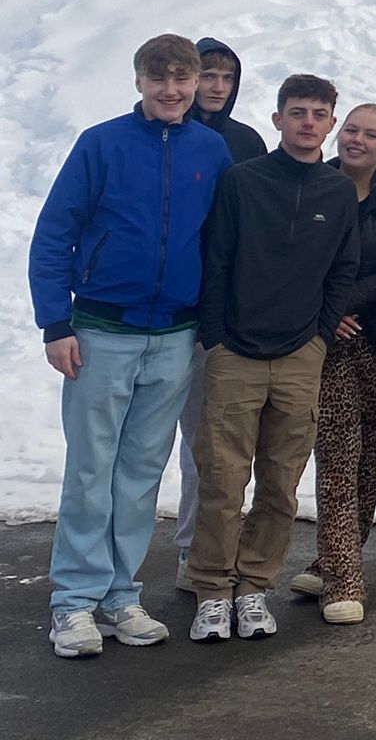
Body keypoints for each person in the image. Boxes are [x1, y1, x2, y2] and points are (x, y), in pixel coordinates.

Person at [30, 35, 233, 659]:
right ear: (140, 80)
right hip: (100, 331)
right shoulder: (101, 143)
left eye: (182, 78)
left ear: (197, 81)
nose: (171, 90)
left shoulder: (211, 148)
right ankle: (74, 602)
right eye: (159, 78)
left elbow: (221, 240)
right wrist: (55, 324)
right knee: (92, 469)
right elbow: (55, 232)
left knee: (142, 470)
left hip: (173, 335)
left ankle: (120, 594)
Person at [188, 75, 360, 644]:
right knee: (222, 477)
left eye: (318, 113)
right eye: (297, 112)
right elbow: (216, 259)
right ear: (277, 119)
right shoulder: (242, 182)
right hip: (234, 350)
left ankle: (255, 585)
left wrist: (318, 338)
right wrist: (216, 336)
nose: (308, 122)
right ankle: (213, 589)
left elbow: (343, 268)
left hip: (299, 355)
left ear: (330, 123)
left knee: (280, 482)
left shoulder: (337, 192)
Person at [290, 104, 376, 624]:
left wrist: (344, 300)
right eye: (351, 130)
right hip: (331, 346)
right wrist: (329, 310)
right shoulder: (315, 187)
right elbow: (294, 260)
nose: (357, 140)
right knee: (338, 457)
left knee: (367, 456)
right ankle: (344, 580)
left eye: (371, 134)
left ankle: (334, 557)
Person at [174, 37, 267, 592]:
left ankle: (196, 550)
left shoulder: (245, 141)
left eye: (225, 78)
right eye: (205, 74)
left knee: (209, 445)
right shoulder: (162, 136)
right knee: (146, 448)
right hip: (164, 313)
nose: (214, 86)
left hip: (222, 318)